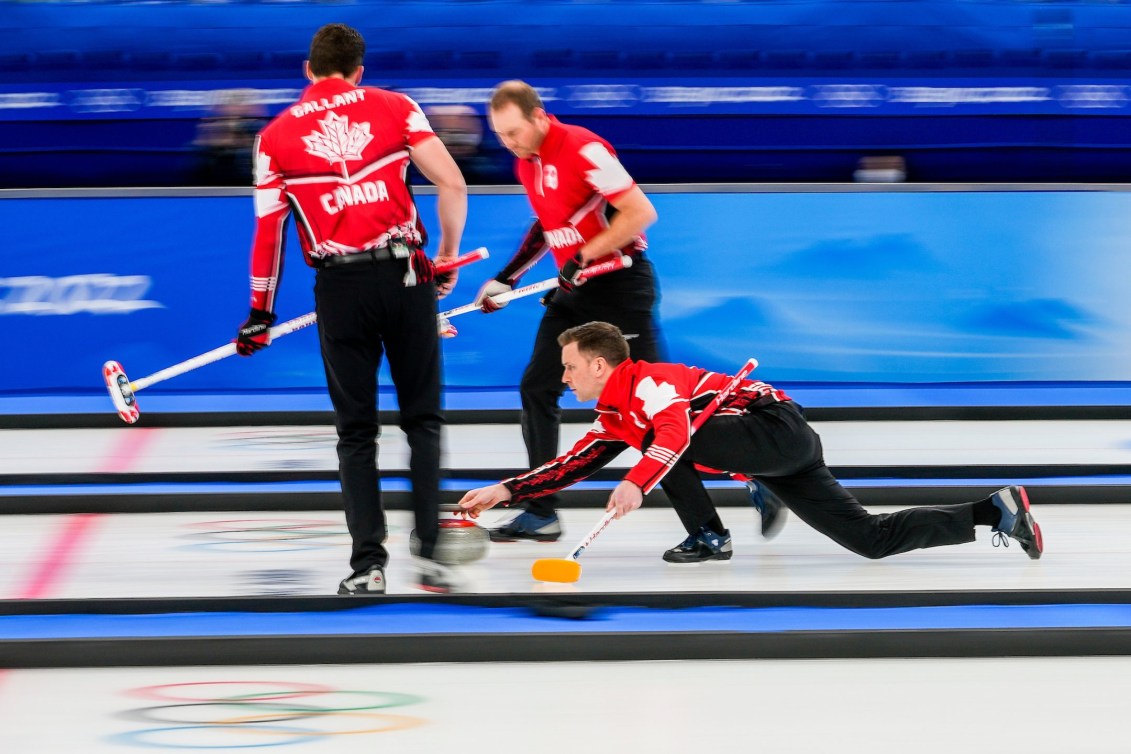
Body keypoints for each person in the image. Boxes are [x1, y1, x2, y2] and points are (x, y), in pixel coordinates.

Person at [459, 322, 1044, 564]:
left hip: (775, 428)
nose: (563, 379)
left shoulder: (651, 384)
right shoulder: (614, 412)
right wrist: (505, 490)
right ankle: (993, 509)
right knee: (869, 539)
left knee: (670, 444)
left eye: (569, 368)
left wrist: (637, 483)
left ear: (597, 362)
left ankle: (712, 533)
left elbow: (674, 434)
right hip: (781, 453)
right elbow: (570, 465)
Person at [233, 23, 469, 594]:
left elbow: (270, 236)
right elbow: (453, 183)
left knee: (356, 432)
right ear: (358, 70)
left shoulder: (274, 137)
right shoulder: (395, 106)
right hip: (406, 272)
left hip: (339, 290)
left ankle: (368, 566)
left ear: (307, 70)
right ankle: (433, 553)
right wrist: (445, 256)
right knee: (423, 421)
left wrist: (259, 314)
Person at [473, 80, 666, 543]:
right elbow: (548, 224)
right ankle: (542, 511)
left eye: (515, 132)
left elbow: (640, 212)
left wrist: (586, 255)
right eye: (500, 135)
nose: (509, 144)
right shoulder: (528, 163)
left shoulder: (583, 148)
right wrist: (508, 276)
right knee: (537, 386)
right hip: (573, 293)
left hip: (620, 287)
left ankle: (752, 476)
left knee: (659, 404)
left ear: (540, 117)